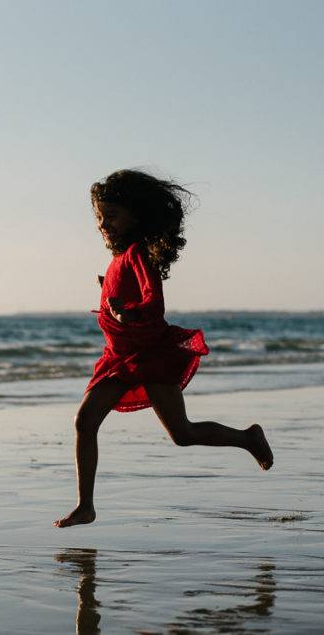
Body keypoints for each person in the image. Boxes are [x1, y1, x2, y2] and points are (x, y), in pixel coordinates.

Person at [54, 169, 273, 529]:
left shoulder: (139, 254)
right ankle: (85, 506)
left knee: (182, 434)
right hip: (119, 358)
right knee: (84, 421)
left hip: (150, 356)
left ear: (135, 216)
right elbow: (122, 291)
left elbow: (154, 302)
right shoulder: (118, 260)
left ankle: (248, 438)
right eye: (99, 217)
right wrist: (109, 290)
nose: (102, 224)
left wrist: (127, 311)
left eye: (111, 216)